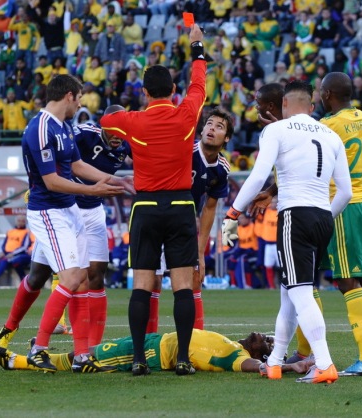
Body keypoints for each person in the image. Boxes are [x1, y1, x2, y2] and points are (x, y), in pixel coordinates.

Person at [221, 80, 352, 384]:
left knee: (300, 293)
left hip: (295, 214)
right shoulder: (331, 135)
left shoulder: (277, 130)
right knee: (289, 294)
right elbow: (345, 192)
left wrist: (233, 213)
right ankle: (276, 361)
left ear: (283, 104)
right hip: (323, 215)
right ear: (311, 105)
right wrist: (324, 215)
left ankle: (325, 363)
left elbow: (258, 176)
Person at [0, 75, 131, 374]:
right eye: (80, 97)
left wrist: (113, 180)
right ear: (69, 95)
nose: (81, 103)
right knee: (68, 277)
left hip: (69, 209)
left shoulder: (64, 126)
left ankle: (82, 355)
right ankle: (38, 348)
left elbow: (76, 165)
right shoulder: (40, 128)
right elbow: (52, 181)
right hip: (49, 211)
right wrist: (94, 190)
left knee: (82, 278)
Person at [99, 25, 207, 377]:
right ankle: (183, 359)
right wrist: (196, 46)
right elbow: (199, 84)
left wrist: (131, 114)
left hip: (145, 208)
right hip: (180, 206)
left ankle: (138, 359)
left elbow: (106, 120)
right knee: (183, 286)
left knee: (142, 286)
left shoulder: (133, 121)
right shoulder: (186, 113)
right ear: (173, 90)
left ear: (144, 92)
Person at [304, 72, 362, 376]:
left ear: (327, 94)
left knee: (347, 280)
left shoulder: (329, 125)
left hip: (342, 204)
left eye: (321, 91)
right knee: (358, 280)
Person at [147, 108, 232, 332]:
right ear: (202, 129)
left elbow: (209, 208)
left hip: (184, 223)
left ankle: (196, 342)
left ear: (227, 138)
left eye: (219, 126)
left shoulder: (221, 169)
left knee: (194, 278)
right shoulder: (185, 149)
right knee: (152, 280)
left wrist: (200, 252)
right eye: (209, 123)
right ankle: (147, 342)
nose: (211, 128)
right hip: (158, 215)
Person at [0, 330, 312, 375]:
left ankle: (16, 362)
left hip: (154, 353)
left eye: (268, 343)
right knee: (83, 354)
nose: (262, 336)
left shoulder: (237, 358)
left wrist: (288, 367)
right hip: (154, 341)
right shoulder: (234, 345)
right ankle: (29, 356)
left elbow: (256, 368)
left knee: (86, 359)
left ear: (262, 354)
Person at [0, 215, 32, 287]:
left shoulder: (26, 232)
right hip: (7, 254)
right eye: (19, 221)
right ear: (16, 221)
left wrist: (13, 253)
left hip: (18, 254)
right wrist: (2, 252)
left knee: (5, 261)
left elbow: (25, 247)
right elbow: (4, 244)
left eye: (23, 221)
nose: (20, 222)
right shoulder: (10, 232)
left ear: (25, 222)